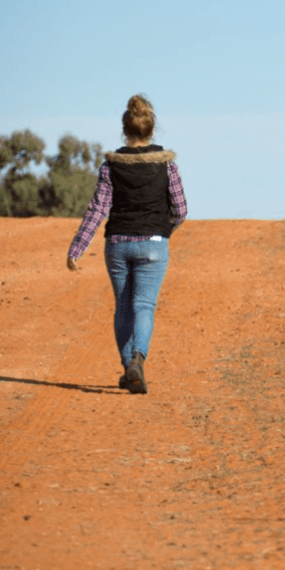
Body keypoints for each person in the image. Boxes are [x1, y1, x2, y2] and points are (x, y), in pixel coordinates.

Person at [66, 94, 187, 394]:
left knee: (124, 306)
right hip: (154, 245)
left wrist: (76, 249)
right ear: (151, 129)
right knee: (144, 305)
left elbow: (97, 209)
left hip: (118, 244)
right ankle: (137, 360)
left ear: (125, 129)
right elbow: (181, 210)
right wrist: (164, 229)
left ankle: (127, 367)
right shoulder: (167, 166)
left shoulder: (111, 166)